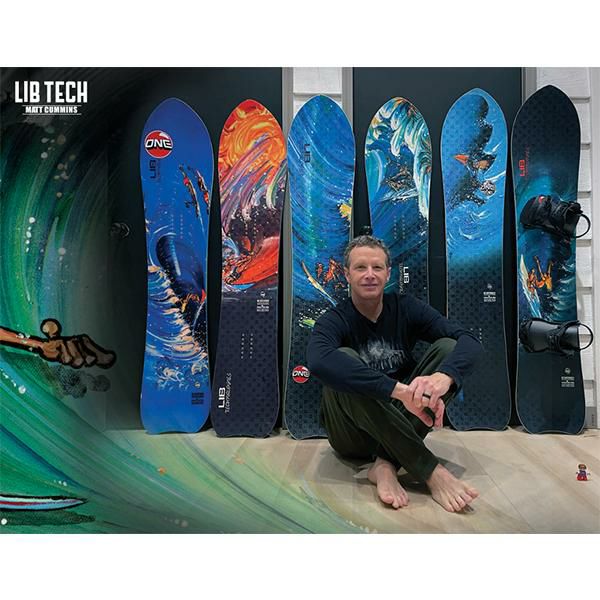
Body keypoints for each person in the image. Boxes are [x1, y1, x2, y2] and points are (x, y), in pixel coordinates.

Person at [307, 235, 483, 513]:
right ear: (347, 274)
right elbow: (318, 362)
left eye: (377, 267)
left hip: (404, 421)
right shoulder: (335, 320)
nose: (369, 275)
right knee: (342, 361)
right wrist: (399, 391)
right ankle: (430, 470)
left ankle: (385, 464)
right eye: (360, 267)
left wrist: (444, 377)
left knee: (448, 348)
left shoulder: (406, 308)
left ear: (388, 273)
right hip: (352, 435)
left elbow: (468, 341)